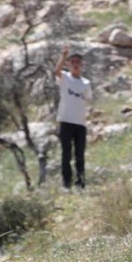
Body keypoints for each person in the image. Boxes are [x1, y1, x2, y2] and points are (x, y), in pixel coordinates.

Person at [53, 46, 93, 190]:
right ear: (68, 64)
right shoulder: (65, 78)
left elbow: (87, 99)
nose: (76, 65)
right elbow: (56, 71)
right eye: (73, 62)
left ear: (82, 65)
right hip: (65, 121)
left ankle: (81, 183)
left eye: (78, 62)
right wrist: (63, 56)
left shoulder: (86, 83)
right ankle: (66, 183)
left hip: (80, 123)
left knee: (80, 155)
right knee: (66, 154)